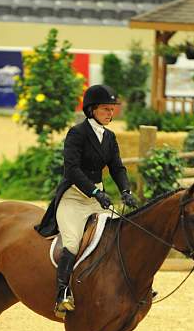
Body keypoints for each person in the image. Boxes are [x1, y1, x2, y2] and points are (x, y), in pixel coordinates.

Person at [35, 84, 137, 318]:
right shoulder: (77, 133)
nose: (110, 114)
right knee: (71, 242)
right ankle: (62, 294)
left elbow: (117, 167)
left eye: (112, 110)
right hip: (73, 197)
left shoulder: (109, 137)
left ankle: (129, 286)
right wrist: (94, 192)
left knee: (120, 236)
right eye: (105, 109)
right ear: (91, 110)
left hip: (96, 198)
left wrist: (126, 191)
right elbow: (71, 170)